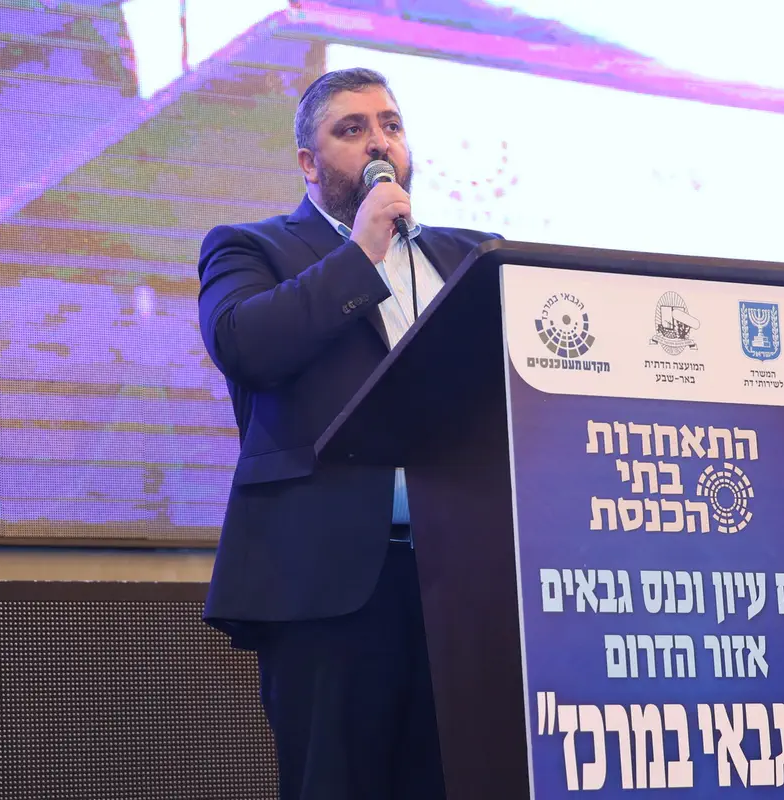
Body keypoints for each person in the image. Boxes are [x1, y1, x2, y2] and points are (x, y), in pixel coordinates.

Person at [195, 67, 500, 799]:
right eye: (352, 129)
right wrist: (361, 253)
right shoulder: (249, 248)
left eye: (390, 125)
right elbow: (244, 344)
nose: (379, 142)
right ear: (309, 162)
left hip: (462, 580)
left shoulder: (472, 256)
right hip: (326, 584)